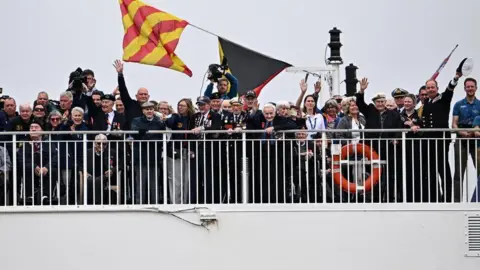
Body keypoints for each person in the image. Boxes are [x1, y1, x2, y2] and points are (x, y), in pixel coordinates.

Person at [421, 71, 462, 202]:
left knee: (443, 169)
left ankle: (447, 198)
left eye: (432, 87)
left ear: (437, 88)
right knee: (431, 170)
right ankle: (435, 198)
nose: (430, 89)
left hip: (441, 140)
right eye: (428, 87)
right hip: (429, 141)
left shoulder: (444, 99)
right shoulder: (426, 103)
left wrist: (456, 77)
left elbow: (450, 88)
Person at [452, 77, 480, 202]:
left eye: (472, 86)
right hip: (461, 140)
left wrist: (475, 133)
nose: (470, 88)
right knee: (458, 172)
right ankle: (457, 202)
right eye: (467, 86)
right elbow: (454, 124)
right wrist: (462, 132)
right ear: (464, 88)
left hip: (477, 141)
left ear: (476, 88)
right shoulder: (458, 104)